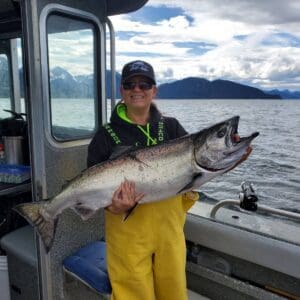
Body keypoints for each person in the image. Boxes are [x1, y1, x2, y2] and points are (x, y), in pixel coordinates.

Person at [87, 60, 199, 300]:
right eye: (130, 84)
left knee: (174, 293)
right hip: (127, 233)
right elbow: (92, 185)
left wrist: (231, 160)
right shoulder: (105, 136)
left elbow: (195, 170)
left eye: (144, 84)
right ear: (121, 91)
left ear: (154, 90)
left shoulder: (172, 127)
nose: (137, 89)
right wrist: (112, 206)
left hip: (169, 233)